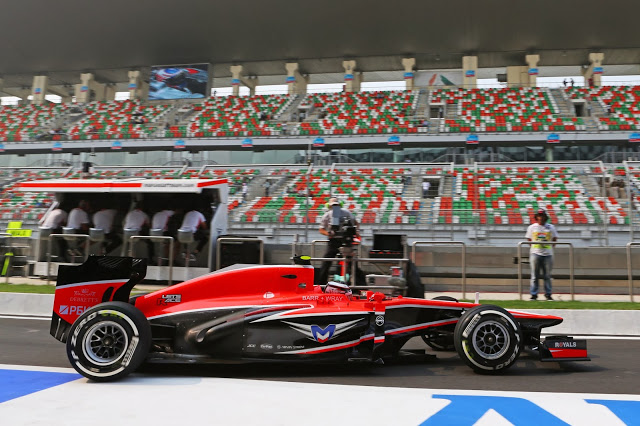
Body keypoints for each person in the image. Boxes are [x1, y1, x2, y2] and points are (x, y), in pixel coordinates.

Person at [317, 198, 361, 286]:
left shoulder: (346, 212)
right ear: (329, 206)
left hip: (346, 239)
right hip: (334, 241)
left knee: (352, 263)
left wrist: (355, 231)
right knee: (326, 261)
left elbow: (355, 223)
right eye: (333, 205)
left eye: (336, 205)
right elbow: (321, 229)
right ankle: (321, 284)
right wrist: (329, 233)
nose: (335, 207)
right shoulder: (327, 215)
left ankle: (359, 285)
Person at [526, 209, 558, 301]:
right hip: (535, 253)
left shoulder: (550, 227)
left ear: (545, 217)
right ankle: (534, 294)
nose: (541, 218)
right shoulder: (532, 227)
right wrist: (534, 248)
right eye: (539, 216)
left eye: (542, 216)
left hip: (548, 254)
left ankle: (548, 294)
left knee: (547, 275)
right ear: (537, 217)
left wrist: (551, 247)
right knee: (534, 276)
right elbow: (529, 239)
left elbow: (555, 238)